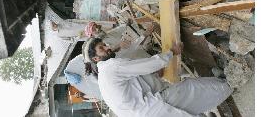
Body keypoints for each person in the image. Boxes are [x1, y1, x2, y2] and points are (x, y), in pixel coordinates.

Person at [86, 37, 233, 117]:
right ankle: (231, 83)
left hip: (144, 111)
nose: (107, 47)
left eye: (104, 44)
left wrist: (154, 74)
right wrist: (171, 52)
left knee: (189, 106)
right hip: (151, 108)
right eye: (102, 48)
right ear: (95, 59)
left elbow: (134, 79)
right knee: (192, 88)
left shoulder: (105, 73)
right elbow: (146, 65)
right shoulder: (111, 66)